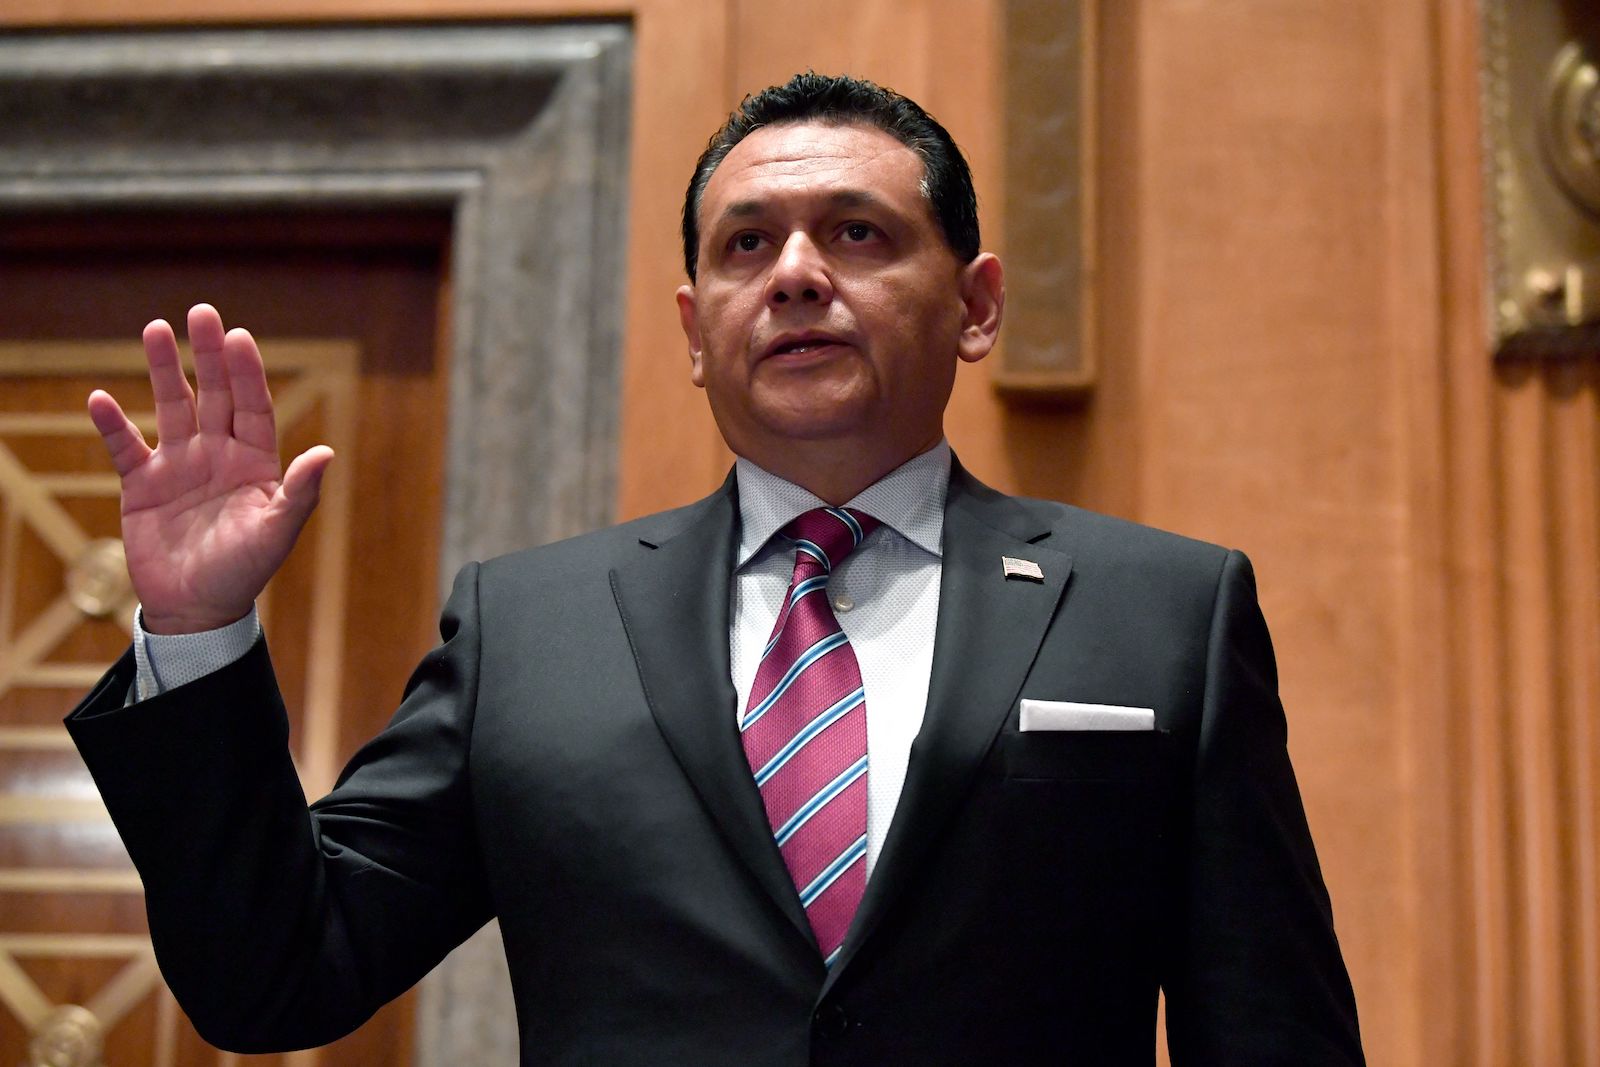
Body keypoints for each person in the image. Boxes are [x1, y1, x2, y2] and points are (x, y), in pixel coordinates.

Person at [68, 73, 1364, 1065]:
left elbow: (1273, 1036)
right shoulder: (531, 628)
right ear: (696, 331)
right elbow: (276, 975)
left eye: (856, 234)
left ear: (974, 306)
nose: (796, 275)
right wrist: (196, 630)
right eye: (747, 246)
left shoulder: (1163, 612)